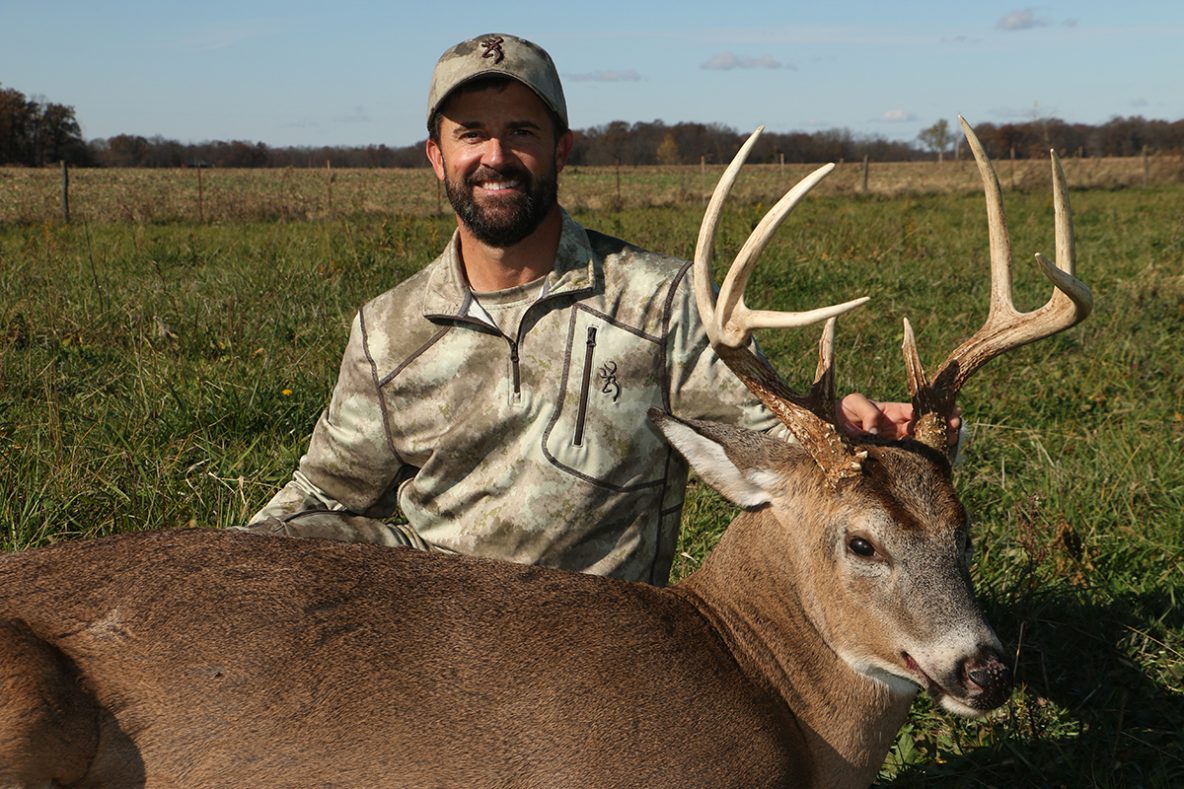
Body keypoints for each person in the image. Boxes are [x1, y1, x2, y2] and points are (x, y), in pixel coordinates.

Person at [245, 33, 929, 585]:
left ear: (559, 149)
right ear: (436, 156)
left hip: (597, 657)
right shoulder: (389, 328)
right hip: (432, 642)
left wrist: (853, 435)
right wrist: (201, 576)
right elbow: (326, 495)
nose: (495, 155)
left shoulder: (660, 303)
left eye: (521, 130)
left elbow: (779, 457)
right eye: (470, 133)